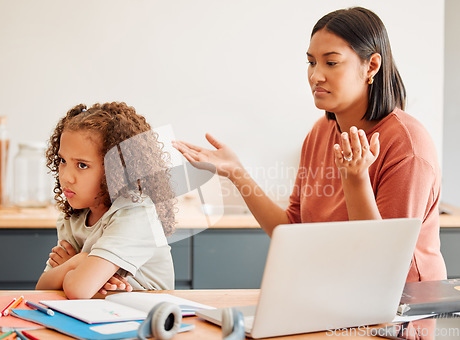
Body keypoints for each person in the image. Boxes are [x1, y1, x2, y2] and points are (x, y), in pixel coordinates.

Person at [172, 7, 446, 283]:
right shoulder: (321, 133)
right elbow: (292, 229)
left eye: (331, 62)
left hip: (399, 315)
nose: (316, 76)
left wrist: (355, 180)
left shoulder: (407, 146)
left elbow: (383, 263)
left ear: (371, 66)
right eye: (311, 62)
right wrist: (236, 172)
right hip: (334, 300)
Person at [36, 102, 176, 299]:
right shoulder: (73, 218)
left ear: (116, 170)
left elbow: (78, 290)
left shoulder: (136, 212)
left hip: (145, 319)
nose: (66, 176)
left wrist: (76, 264)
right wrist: (78, 263)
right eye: (62, 161)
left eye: (82, 165)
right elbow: (42, 287)